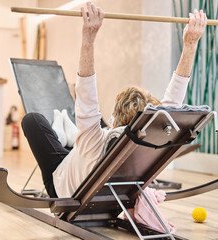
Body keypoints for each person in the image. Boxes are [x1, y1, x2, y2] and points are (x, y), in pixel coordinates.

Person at [22, 2, 207, 198]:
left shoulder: (95, 140)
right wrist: (190, 44)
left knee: (32, 120)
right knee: (89, 129)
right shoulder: (150, 140)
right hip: (94, 171)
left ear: (113, 121)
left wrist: (88, 38)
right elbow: (172, 103)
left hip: (64, 186)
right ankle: (70, 133)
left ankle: (67, 132)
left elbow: (85, 91)